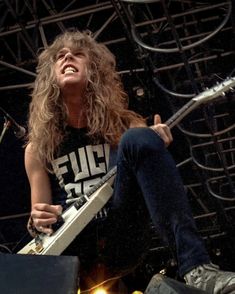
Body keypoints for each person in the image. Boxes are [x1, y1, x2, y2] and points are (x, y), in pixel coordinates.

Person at [24, 29, 235, 293]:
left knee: (138, 138)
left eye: (78, 55)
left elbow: (145, 163)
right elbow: (42, 228)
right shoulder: (37, 147)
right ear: (50, 77)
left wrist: (151, 143)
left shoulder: (124, 124)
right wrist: (37, 220)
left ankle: (198, 270)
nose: (68, 58)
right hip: (75, 251)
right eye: (61, 56)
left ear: (95, 70)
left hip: (121, 235)